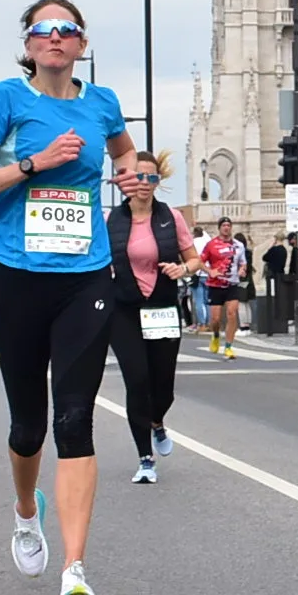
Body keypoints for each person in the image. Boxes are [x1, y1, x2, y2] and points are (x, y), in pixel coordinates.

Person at [0, 0, 144, 595]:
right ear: (29, 43)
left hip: (85, 274)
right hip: (19, 275)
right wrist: (34, 162)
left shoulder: (102, 103)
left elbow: (122, 152)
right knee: (28, 426)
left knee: (74, 419)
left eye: (67, 29)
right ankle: (25, 511)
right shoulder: (6, 100)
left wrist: (127, 175)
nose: (55, 38)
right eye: (43, 30)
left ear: (82, 42)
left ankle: (74, 571)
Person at [105, 150, 198, 484]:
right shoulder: (111, 220)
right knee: (137, 380)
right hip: (125, 309)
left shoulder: (170, 218)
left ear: (159, 182)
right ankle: (145, 458)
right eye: (139, 177)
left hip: (162, 307)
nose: (145, 184)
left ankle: (157, 422)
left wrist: (182, 268)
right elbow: (98, 262)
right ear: (128, 181)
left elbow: (194, 259)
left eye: (152, 178)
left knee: (164, 387)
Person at [197, 218, 243, 359]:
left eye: (229, 225)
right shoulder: (211, 245)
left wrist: (242, 270)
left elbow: (243, 262)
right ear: (219, 228)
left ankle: (228, 346)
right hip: (215, 285)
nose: (226, 228)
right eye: (223, 225)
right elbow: (199, 261)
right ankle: (216, 335)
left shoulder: (238, 245)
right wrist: (209, 271)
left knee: (232, 314)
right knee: (216, 320)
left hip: (232, 284)